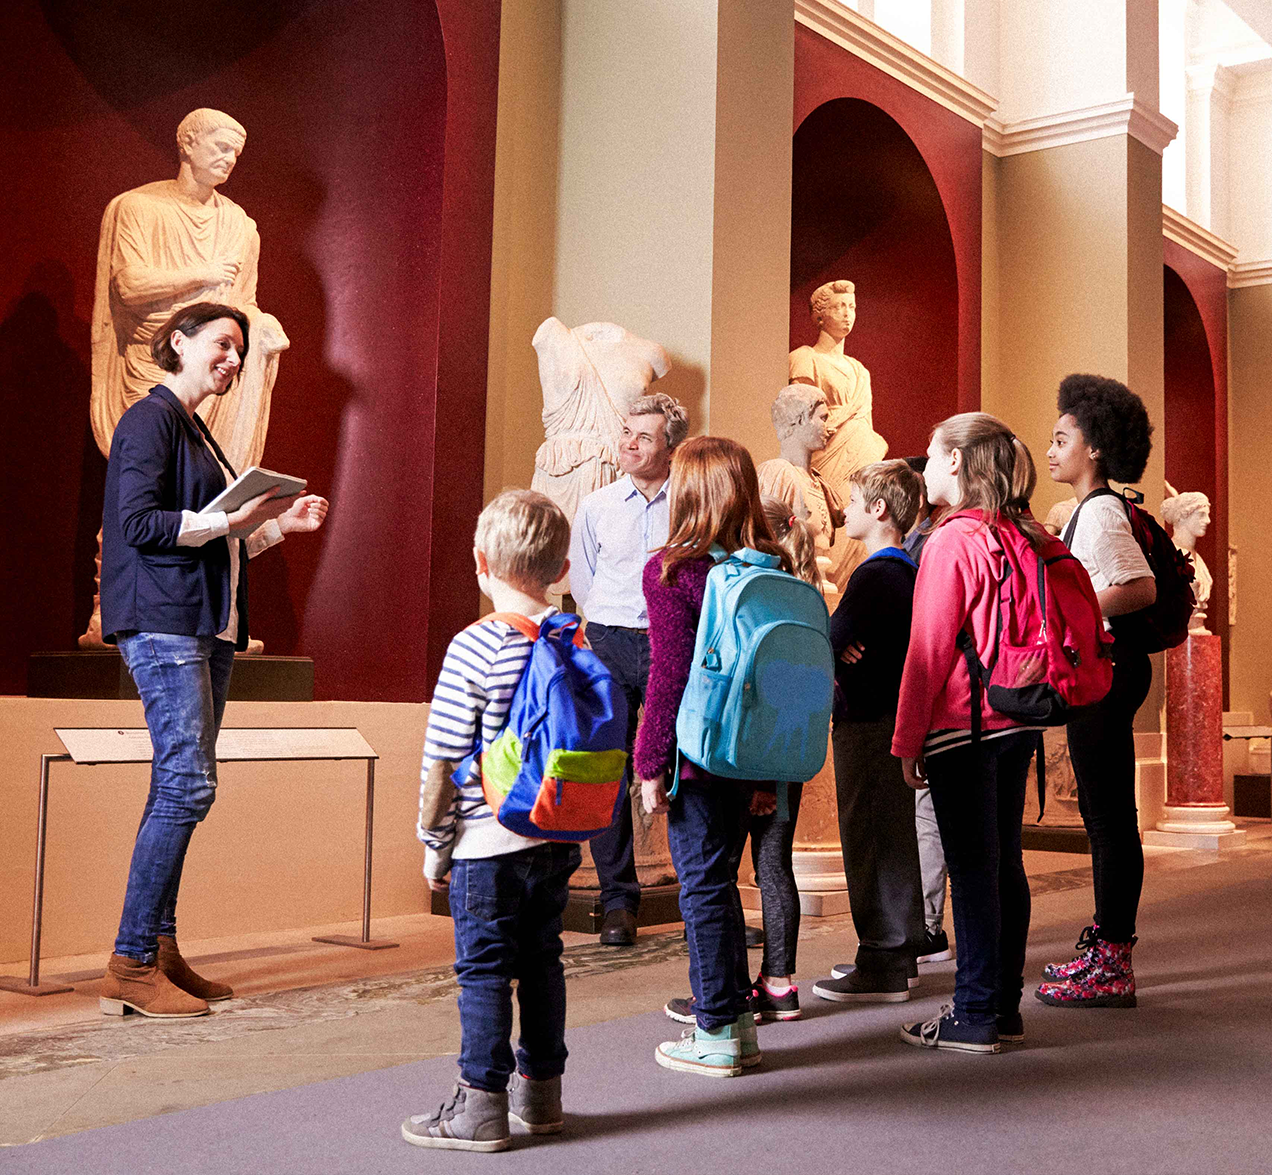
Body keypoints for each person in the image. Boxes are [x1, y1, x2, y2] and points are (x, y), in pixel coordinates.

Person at [97, 302, 328, 1019]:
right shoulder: (150, 418)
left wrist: (273, 527)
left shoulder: (198, 431)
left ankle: (158, 949)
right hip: (164, 624)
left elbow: (214, 539)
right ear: (179, 342)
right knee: (188, 785)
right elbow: (136, 523)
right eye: (222, 344)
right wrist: (233, 518)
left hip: (204, 625)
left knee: (180, 784)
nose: (233, 358)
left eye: (240, 349)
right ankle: (131, 961)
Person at [405, 490, 580, 1152]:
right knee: (542, 961)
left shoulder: (475, 644)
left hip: (487, 842)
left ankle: (480, 1104)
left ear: (480, 562)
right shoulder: (573, 637)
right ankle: (542, 1095)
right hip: (557, 835)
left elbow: (444, 754)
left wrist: (433, 843)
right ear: (562, 569)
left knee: (483, 969)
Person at [84, 107, 289, 649]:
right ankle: (112, 606)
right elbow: (129, 287)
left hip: (217, 366)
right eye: (219, 147)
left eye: (236, 154)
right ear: (188, 143)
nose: (228, 160)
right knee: (144, 489)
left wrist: (257, 331)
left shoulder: (241, 225)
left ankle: (215, 614)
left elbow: (240, 304)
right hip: (154, 361)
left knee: (212, 486)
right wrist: (201, 276)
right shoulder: (138, 208)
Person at [892, 413, 1047, 1054]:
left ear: (956, 462)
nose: (923, 465)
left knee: (972, 872)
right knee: (1004, 863)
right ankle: (1002, 1007)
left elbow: (927, 649)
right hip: (1018, 718)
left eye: (930, 453)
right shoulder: (1020, 531)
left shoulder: (952, 541)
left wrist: (906, 743)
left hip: (963, 724)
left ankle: (974, 1012)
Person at [637, 437, 791, 1077]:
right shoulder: (771, 568)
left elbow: (668, 674)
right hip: (755, 752)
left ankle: (716, 1032)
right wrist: (769, 775)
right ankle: (739, 1024)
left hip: (700, 754)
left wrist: (649, 763)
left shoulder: (673, 570)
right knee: (723, 883)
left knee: (701, 887)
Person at [662, 499, 817, 1027]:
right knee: (774, 868)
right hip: (782, 755)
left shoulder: (722, 584)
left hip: (728, 753)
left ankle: (725, 1001)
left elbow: (688, 676)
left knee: (717, 876)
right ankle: (779, 983)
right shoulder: (795, 591)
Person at [1038, 374, 1155, 1009]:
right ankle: (1108, 947)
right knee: (1107, 817)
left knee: (1110, 820)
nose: (1051, 449)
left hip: (1108, 676)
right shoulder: (1095, 511)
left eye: (1062, 439)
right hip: (1109, 673)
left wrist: (1075, 614)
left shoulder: (1103, 511)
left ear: (1096, 449)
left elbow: (1139, 588)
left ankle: (1112, 962)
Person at [568, 392, 689, 945]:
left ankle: (700, 894)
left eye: (643, 435)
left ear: (671, 444)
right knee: (608, 767)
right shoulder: (596, 506)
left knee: (686, 762)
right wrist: (607, 624)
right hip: (610, 640)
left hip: (672, 640)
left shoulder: (690, 503)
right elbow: (584, 580)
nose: (629, 443)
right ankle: (618, 901)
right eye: (625, 432)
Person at [812, 460, 927, 1004]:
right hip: (891, 716)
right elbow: (842, 642)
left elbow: (827, 640)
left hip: (866, 720)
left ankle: (883, 958)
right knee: (892, 837)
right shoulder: (904, 571)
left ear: (879, 510)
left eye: (854, 500)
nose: (845, 510)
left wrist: (839, 647)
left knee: (871, 838)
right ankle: (896, 953)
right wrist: (842, 646)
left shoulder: (876, 573)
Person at [788, 279, 888, 591]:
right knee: (826, 532)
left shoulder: (860, 370)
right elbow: (801, 414)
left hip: (860, 461)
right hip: (826, 458)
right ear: (820, 315)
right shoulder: (804, 357)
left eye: (852, 307)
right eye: (839, 307)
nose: (847, 314)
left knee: (859, 531)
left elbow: (865, 423)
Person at [900, 455, 953, 967]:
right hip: (964, 705)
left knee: (930, 819)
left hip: (947, 704)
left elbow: (926, 635)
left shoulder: (935, 541)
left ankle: (928, 927)